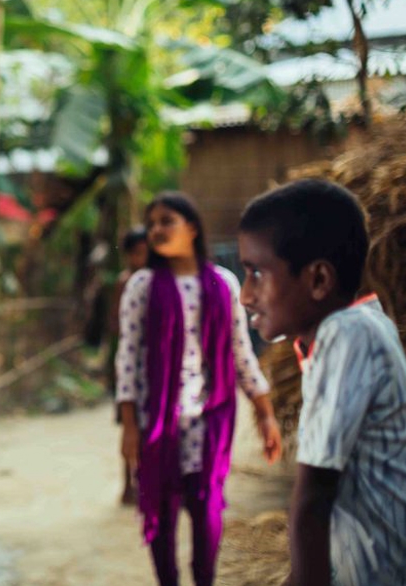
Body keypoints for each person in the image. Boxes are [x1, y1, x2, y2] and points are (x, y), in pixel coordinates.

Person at [237, 179, 406, 586]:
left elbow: (312, 499)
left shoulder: (347, 335)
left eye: (256, 273)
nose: (245, 295)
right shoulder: (359, 327)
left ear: (318, 279)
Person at [115, 191, 281, 586]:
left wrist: (265, 411)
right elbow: (128, 358)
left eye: (166, 221)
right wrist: (129, 425)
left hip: (209, 422)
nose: (156, 229)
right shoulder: (142, 286)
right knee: (162, 511)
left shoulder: (223, 285)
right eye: (151, 222)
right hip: (157, 423)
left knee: (207, 510)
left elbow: (241, 353)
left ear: (191, 228)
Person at [109, 225, 148, 505]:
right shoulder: (126, 282)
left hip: (148, 364)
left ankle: (142, 482)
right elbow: (115, 323)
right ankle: (127, 484)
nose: (141, 259)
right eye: (136, 254)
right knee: (129, 424)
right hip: (129, 362)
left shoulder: (154, 281)